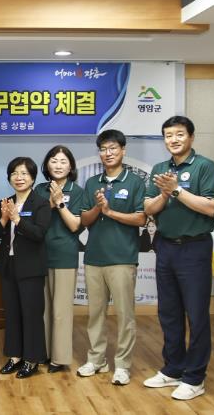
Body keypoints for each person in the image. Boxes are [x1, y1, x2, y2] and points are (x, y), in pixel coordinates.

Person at [142, 116, 214, 400]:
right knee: (169, 312)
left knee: (196, 315)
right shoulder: (159, 169)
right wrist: (165, 194)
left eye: (179, 134)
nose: (173, 140)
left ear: (191, 137)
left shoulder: (205, 166)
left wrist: (176, 190)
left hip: (194, 248)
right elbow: (148, 207)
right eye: (168, 135)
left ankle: (195, 377)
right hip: (165, 247)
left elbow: (210, 207)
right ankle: (173, 368)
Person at [77, 129, 146, 386]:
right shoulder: (92, 183)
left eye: (113, 148)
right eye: (103, 149)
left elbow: (141, 218)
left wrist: (110, 212)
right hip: (94, 258)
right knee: (95, 314)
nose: (108, 153)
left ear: (123, 150)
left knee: (125, 315)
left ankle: (123, 366)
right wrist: (98, 207)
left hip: (122, 258)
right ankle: (96, 360)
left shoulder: (135, 182)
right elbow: (85, 220)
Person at [0, 157, 50, 379]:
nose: (19, 177)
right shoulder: (5, 202)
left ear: (33, 178)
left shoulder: (41, 203)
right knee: (12, 313)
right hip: (9, 265)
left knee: (31, 314)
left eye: (24, 173)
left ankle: (31, 359)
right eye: (14, 173)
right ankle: (14, 356)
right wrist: (4, 219)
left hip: (31, 268)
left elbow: (39, 234)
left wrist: (17, 219)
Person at [34, 145, 84, 373]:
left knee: (61, 311)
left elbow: (75, 225)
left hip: (64, 255)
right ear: (47, 165)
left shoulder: (77, 191)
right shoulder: (39, 189)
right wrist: (50, 203)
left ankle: (59, 357)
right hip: (39, 254)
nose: (58, 165)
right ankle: (43, 352)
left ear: (70, 166)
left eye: (63, 161)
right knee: (42, 309)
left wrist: (60, 203)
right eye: (53, 161)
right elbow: (34, 219)